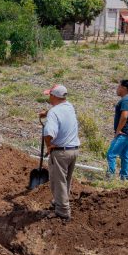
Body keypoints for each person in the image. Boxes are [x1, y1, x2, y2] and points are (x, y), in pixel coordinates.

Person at [40, 84, 80, 222]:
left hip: (61, 152)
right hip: (73, 150)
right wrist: (47, 113)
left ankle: (62, 211)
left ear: (54, 96)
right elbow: (60, 112)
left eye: (50, 95)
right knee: (66, 180)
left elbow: (48, 133)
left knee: (58, 181)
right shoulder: (69, 106)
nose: (49, 97)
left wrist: (49, 146)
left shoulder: (54, 112)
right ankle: (60, 201)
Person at [107, 79, 128, 181]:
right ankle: (124, 177)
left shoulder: (126, 101)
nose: (117, 89)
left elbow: (124, 116)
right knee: (125, 155)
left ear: (123, 88)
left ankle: (110, 176)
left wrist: (118, 131)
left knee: (111, 154)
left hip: (124, 133)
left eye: (118, 87)